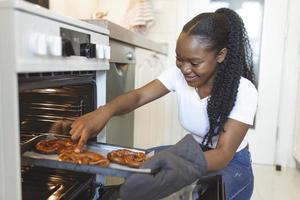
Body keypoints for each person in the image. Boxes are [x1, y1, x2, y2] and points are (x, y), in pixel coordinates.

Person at [69, 7, 258, 200]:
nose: (185, 69)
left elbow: (222, 154)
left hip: (231, 164)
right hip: (192, 150)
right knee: (141, 175)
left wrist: (174, 163)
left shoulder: (243, 90)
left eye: (194, 63)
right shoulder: (178, 76)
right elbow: (139, 96)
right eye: (179, 59)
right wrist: (104, 112)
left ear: (221, 55)